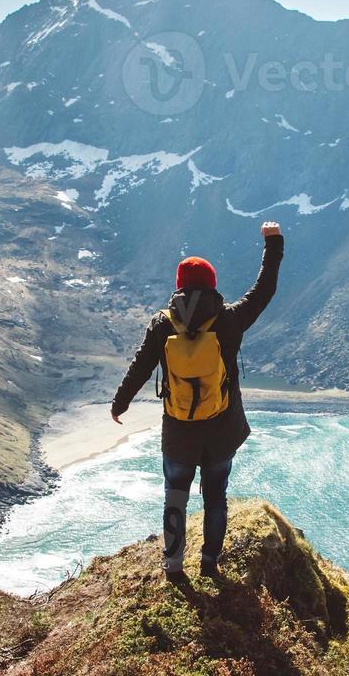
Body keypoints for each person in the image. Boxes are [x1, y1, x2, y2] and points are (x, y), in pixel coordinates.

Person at [111, 221, 284, 579]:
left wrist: (120, 402)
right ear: (213, 284)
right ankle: (209, 563)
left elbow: (141, 365)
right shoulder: (230, 320)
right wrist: (273, 243)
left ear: (179, 286)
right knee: (215, 496)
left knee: (175, 495)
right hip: (221, 430)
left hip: (178, 432)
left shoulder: (162, 324)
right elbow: (264, 290)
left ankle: (173, 566)